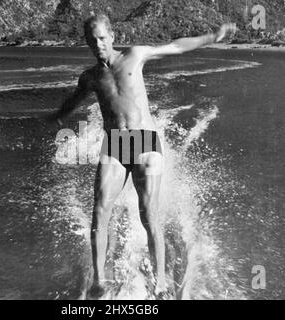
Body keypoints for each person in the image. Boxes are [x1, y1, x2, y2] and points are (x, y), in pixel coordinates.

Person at [50, 14, 237, 298]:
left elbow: (175, 46)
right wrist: (56, 116)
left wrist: (214, 36)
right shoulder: (90, 77)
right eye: (92, 40)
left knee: (148, 214)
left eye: (102, 38)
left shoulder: (134, 55)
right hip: (115, 144)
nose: (98, 44)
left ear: (112, 36)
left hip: (145, 141)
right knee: (100, 211)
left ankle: (160, 283)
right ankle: (99, 283)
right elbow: (74, 100)